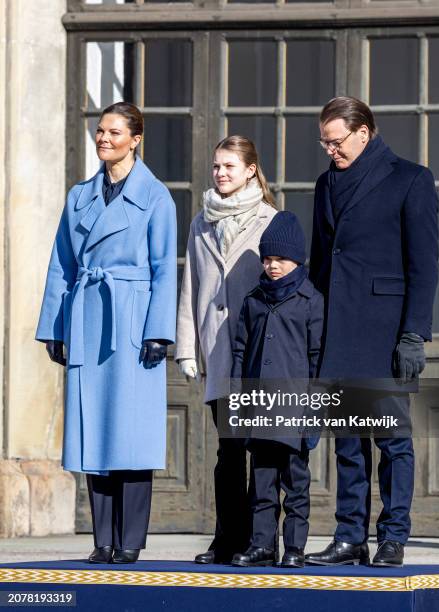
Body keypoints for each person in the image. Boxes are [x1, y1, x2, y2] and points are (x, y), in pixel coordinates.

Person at [36, 102, 177, 564]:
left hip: (132, 322)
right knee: (94, 428)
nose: (103, 139)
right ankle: (102, 540)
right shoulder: (79, 196)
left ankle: (130, 540)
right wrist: (56, 326)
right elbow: (62, 264)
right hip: (87, 317)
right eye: (100, 131)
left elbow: (163, 268)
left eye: (114, 133)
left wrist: (160, 329)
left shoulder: (156, 197)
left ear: (135, 139)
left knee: (131, 431)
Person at [306, 97, 439, 568]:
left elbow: (423, 265)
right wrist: (311, 324)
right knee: (347, 442)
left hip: (385, 333)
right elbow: (321, 261)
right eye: (324, 142)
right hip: (338, 329)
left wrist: (413, 334)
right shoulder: (325, 184)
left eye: (336, 142)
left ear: (364, 133)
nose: (330, 151)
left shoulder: (410, 179)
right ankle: (349, 537)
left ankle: (393, 536)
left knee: (392, 442)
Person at [175, 135, 277, 564]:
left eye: (230, 166)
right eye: (217, 166)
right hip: (216, 350)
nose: (220, 173)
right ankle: (226, 538)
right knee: (229, 450)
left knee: (263, 448)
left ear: (251, 169)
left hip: (258, 352)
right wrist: (186, 347)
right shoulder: (201, 221)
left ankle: (259, 540)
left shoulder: (272, 220)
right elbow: (191, 286)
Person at [230, 212, 323, 568]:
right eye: (267, 259)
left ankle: (295, 548)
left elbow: (316, 359)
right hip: (259, 408)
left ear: (297, 260)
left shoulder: (310, 301)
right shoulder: (254, 301)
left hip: (294, 411)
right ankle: (262, 546)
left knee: (295, 485)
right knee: (262, 484)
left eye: (280, 259)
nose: (272, 266)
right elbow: (240, 351)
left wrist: (313, 412)